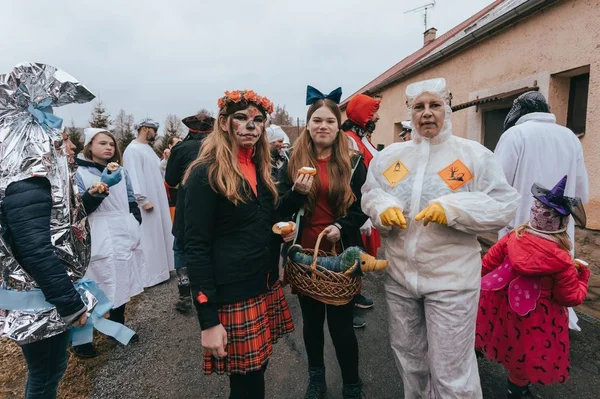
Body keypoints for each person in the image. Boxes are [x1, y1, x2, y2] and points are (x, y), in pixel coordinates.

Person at [361, 78, 519, 398]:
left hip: (452, 278)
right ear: (411, 114)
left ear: (446, 109)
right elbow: (371, 192)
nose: (427, 113)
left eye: (434, 105)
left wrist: (453, 208)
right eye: (419, 107)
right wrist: (382, 207)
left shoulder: (472, 156)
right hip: (400, 275)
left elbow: (503, 205)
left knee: (451, 368)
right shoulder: (393, 157)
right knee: (410, 359)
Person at [183, 90, 294, 399]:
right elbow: (196, 247)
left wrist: (281, 230)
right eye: (242, 118)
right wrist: (208, 321)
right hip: (233, 294)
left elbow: (261, 220)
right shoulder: (204, 174)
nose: (251, 126)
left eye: (258, 120)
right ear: (224, 123)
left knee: (258, 373)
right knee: (246, 387)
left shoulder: (261, 168)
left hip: (265, 284)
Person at [0, 63, 93, 399]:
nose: (63, 143)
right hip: (39, 301)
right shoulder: (27, 182)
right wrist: (71, 305)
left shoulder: (27, 181)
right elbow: (34, 249)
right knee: (46, 375)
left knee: (49, 373)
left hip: (43, 297)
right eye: (58, 137)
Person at [278, 86, 368, 399]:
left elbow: (363, 207)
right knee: (313, 323)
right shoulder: (291, 160)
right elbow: (279, 210)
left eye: (329, 121)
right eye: (317, 120)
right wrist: (296, 194)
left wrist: (341, 227)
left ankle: (352, 383)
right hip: (304, 253)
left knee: (342, 326)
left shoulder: (353, 161)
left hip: (341, 252)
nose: (323, 126)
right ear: (308, 124)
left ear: (338, 124)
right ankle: (316, 378)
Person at [476, 176, 590, 399]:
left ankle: (475, 352)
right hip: (537, 317)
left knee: (495, 332)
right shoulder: (563, 260)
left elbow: (486, 265)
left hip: (499, 303)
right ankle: (516, 390)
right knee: (523, 351)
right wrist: (583, 277)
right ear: (561, 224)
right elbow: (569, 297)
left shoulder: (512, 237)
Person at [494, 91, 589, 331]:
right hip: (559, 228)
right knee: (555, 285)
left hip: (520, 227)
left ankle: (515, 330)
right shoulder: (570, 136)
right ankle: (552, 330)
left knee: (518, 286)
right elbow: (579, 191)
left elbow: (497, 184)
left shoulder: (514, 135)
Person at [71, 128, 144, 358]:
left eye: (111, 144)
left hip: (122, 230)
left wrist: (134, 218)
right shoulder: (79, 174)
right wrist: (102, 187)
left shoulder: (121, 171)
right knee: (92, 284)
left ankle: (118, 326)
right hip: (96, 232)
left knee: (121, 280)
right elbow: (79, 208)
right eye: (102, 143)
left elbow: (130, 197)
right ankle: (82, 339)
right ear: (89, 146)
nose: (109, 147)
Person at [166, 113, 215, 313]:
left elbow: (169, 180)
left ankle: (185, 292)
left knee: (181, 246)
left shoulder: (180, 149)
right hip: (216, 202)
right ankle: (209, 288)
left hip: (187, 202)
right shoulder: (220, 147)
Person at [341, 92, 381, 328]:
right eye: (373, 112)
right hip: (355, 207)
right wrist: (361, 213)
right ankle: (345, 302)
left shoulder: (363, 137)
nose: (377, 116)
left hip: (367, 204)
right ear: (362, 115)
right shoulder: (348, 139)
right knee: (352, 253)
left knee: (361, 254)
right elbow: (347, 180)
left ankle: (354, 294)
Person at [123, 118, 174, 287]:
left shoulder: (147, 149)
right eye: (153, 129)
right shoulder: (132, 150)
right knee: (149, 237)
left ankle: (163, 270)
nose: (155, 133)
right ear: (144, 128)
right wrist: (142, 199)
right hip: (146, 202)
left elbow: (156, 169)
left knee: (160, 234)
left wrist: (165, 162)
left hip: (157, 198)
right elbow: (133, 175)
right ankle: (150, 276)